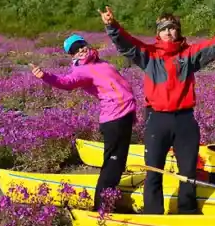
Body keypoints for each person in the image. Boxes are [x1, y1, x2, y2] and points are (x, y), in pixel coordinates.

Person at [98, 6, 215, 215]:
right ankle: (153, 214)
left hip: (185, 121)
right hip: (157, 121)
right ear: (158, 33)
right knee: (154, 172)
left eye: (172, 28)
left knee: (188, 173)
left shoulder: (189, 55)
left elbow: (214, 46)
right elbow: (126, 43)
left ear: (178, 31)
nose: (168, 32)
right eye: (164, 29)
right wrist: (112, 25)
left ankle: (187, 212)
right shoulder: (149, 55)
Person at [29, 34, 137, 212]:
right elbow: (67, 83)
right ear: (72, 55)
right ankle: (101, 208)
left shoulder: (99, 62)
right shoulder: (81, 70)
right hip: (114, 118)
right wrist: (45, 76)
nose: (80, 50)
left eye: (81, 45)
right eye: (75, 50)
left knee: (118, 163)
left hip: (124, 115)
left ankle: (108, 200)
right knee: (112, 164)